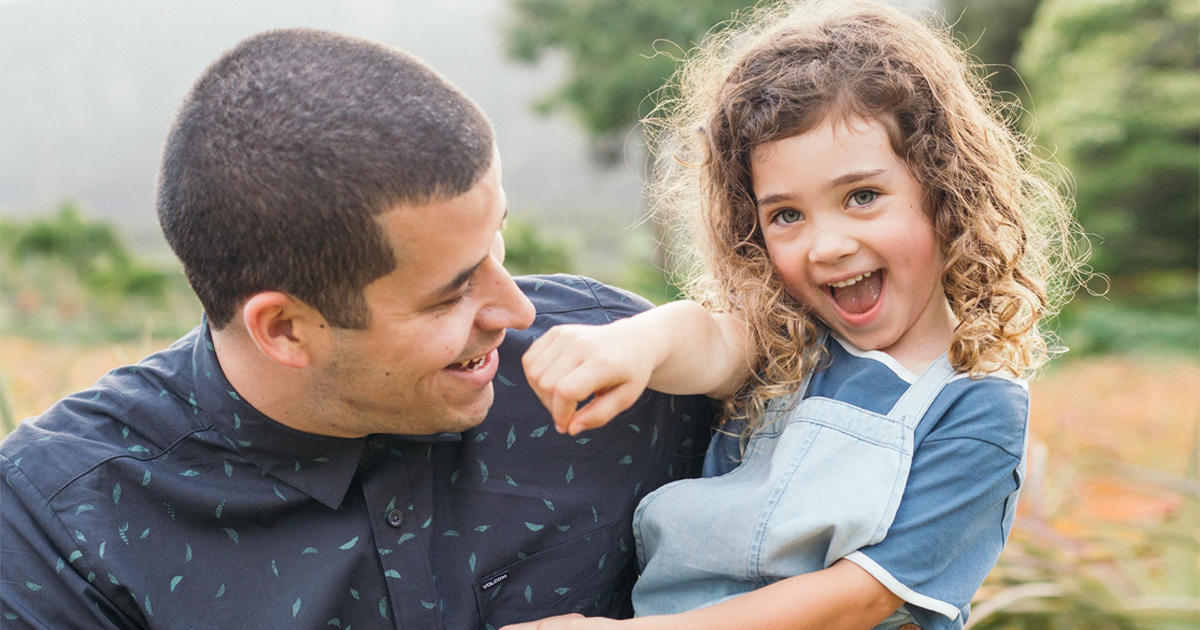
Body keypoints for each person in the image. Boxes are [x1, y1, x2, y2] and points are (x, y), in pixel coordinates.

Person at [0, 29, 713, 629]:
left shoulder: (623, 365)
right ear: (283, 330)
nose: (518, 313)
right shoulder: (59, 525)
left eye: (496, 244)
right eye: (450, 295)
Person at [514, 2, 1082, 629]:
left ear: (944, 192)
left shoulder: (975, 410)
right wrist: (634, 346)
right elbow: (704, 337)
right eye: (787, 215)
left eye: (862, 197)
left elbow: (857, 599)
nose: (827, 245)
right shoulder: (788, 341)